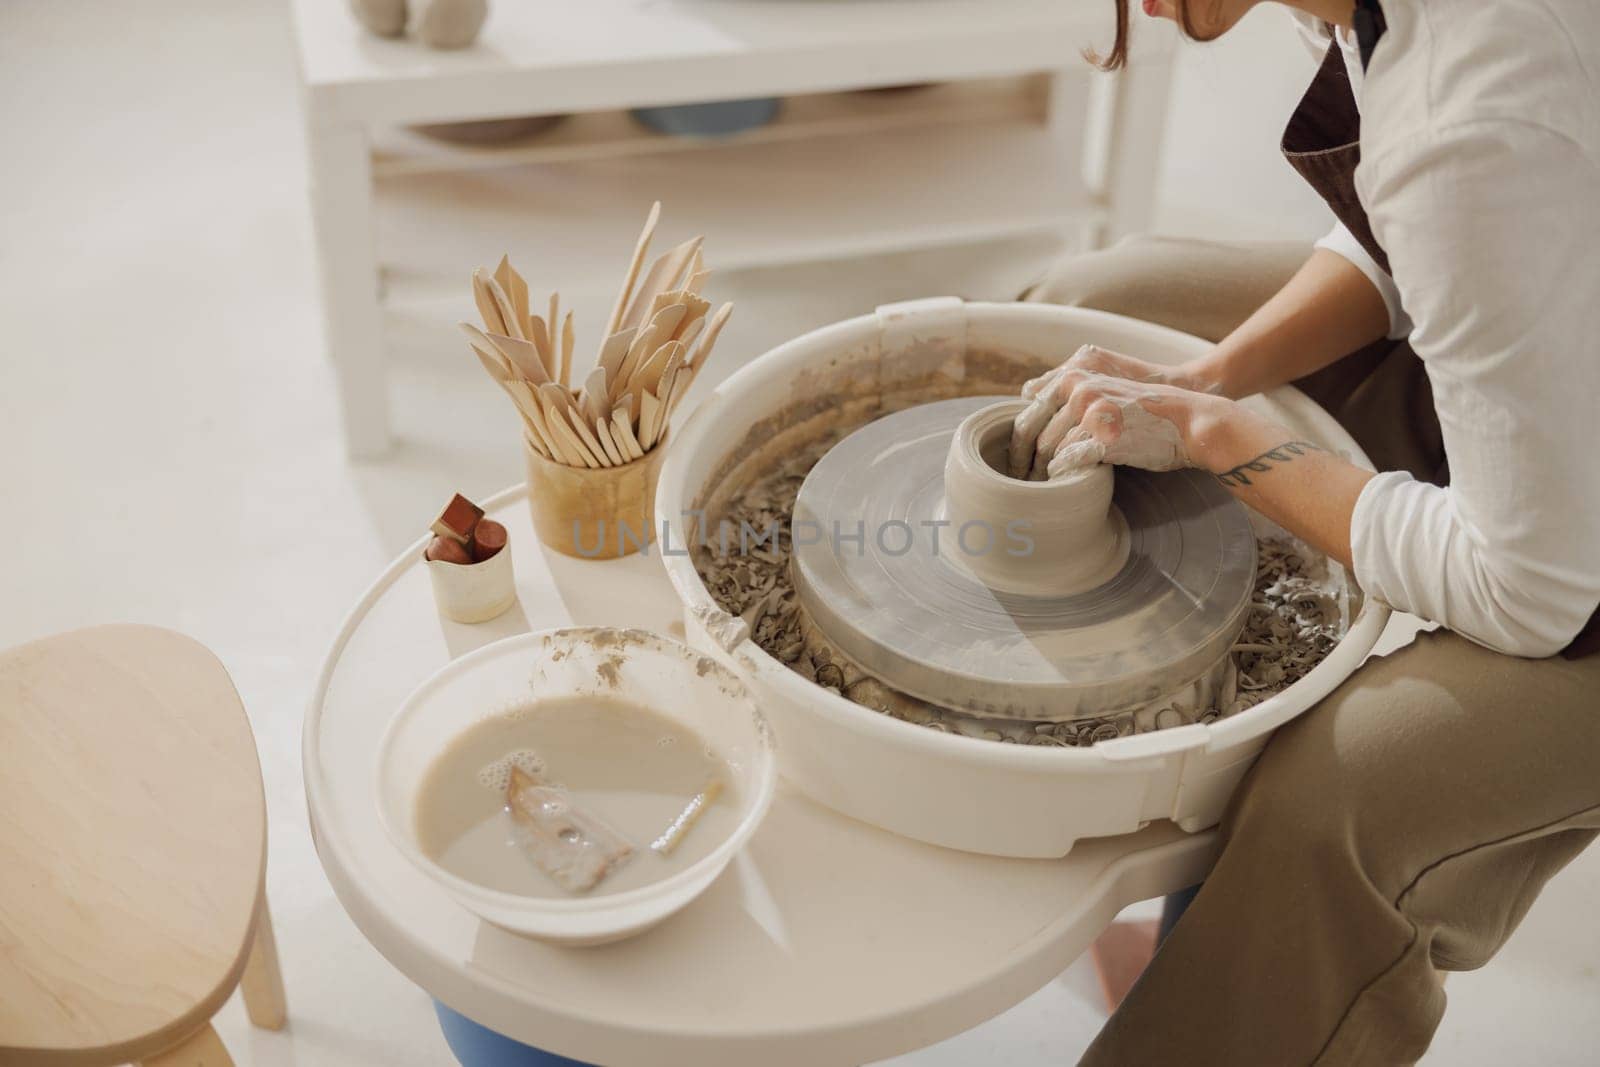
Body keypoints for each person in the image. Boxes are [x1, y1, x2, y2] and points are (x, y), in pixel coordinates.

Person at [1011, 0, 1600, 1062]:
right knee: (1096, 309)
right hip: (1559, 325)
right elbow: (1413, 225)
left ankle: (1245, 982)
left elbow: (1532, 589)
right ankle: (1202, 951)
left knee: (1340, 792)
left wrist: (1224, 439)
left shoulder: (1474, 117)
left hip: (1573, 565)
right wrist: (1203, 377)